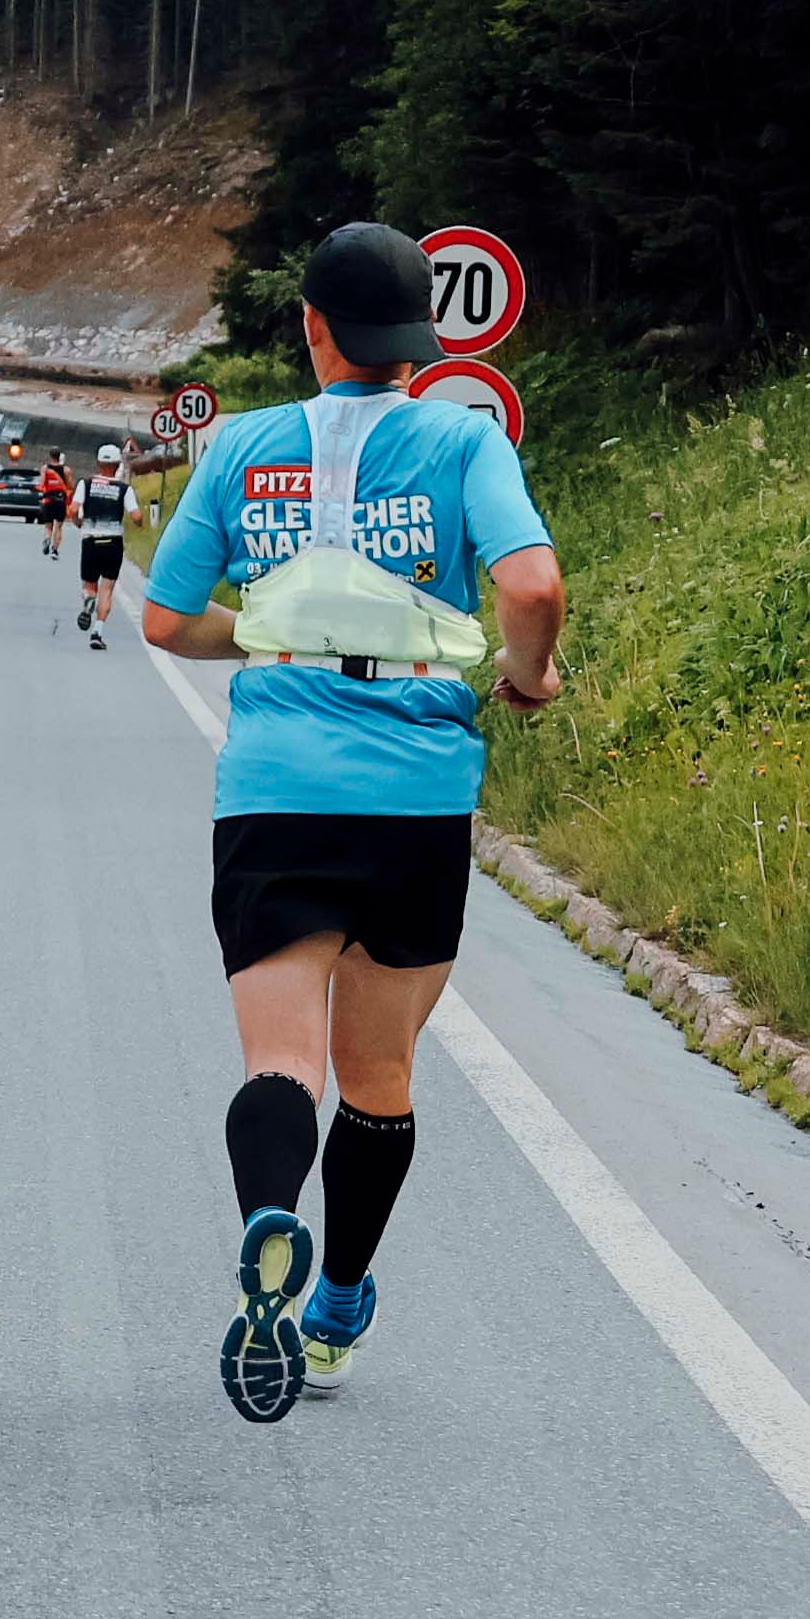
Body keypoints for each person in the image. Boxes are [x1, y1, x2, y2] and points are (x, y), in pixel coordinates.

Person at [135, 221, 569, 1420]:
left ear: (311, 327)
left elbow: (165, 622)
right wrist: (526, 676)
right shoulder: (459, 434)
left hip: (274, 787)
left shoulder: (240, 446)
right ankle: (333, 1303)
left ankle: (266, 1216)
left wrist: (270, 633)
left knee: (282, 1059)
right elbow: (528, 584)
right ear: (415, 339)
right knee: (378, 1072)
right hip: (415, 795)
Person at [74, 441, 132, 647]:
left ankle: (89, 599)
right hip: (113, 542)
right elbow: (136, 515)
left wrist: (78, 523)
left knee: (90, 585)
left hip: (90, 540)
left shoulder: (85, 484)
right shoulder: (124, 489)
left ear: (98, 462)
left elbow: (73, 510)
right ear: (117, 464)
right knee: (107, 589)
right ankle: (97, 632)